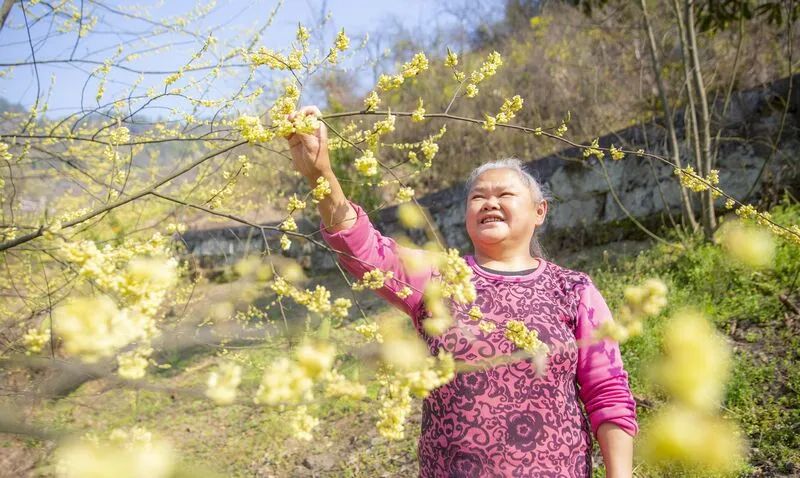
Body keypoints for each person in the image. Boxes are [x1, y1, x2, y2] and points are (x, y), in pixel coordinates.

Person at [285, 106, 637, 478]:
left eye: (505, 194)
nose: (489, 202)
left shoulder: (574, 290)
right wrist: (320, 173)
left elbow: (608, 392)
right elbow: (363, 250)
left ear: (539, 212)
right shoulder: (438, 277)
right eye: (478, 197)